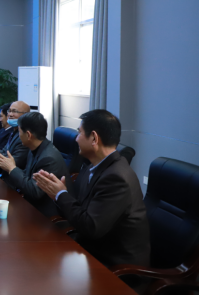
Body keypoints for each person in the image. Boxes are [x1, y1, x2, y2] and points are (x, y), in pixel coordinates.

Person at [33, 109, 150, 267]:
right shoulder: (93, 167)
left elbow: (90, 227)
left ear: (94, 138)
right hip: (90, 249)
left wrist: (61, 194)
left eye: (79, 133)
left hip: (114, 266)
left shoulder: (116, 178)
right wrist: (58, 193)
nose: (76, 139)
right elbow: (80, 211)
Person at [0, 111, 67, 217]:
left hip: (44, 215)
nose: (18, 135)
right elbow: (27, 175)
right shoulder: (34, 148)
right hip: (29, 204)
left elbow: (35, 192)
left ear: (28, 135)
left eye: (19, 131)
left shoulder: (48, 159)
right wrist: (11, 168)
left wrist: (12, 168)